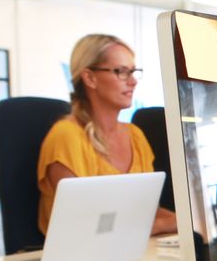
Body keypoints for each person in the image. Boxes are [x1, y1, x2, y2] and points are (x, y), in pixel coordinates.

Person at [37, 34, 176, 236]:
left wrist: (187, 221)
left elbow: (147, 212)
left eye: (134, 72)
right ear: (90, 78)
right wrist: (163, 225)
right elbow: (84, 228)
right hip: (81, 260)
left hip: (131, 251)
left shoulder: (135, 136)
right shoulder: (66, 136)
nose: (133, 82)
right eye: (121, 72)